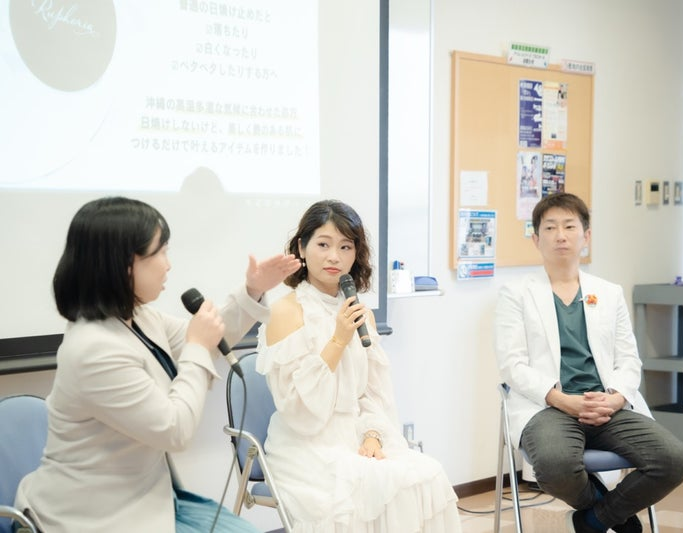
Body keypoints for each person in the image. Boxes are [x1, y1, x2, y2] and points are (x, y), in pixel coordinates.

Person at [15, 196, 301, 533]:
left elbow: (209, 334)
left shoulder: (136, 317)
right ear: (124, 264)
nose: (168, 265)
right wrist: (197, 346)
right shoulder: (92, 350)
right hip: (92, 515)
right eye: (160, 252)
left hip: (147, 498)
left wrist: (252, 290)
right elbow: (174, 430)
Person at [256, 199, 462, 532]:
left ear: (356, 254)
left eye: (345, 247)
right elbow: (298, 411)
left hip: (355, 435)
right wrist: (337, 340)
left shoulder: (361, 313)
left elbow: (372, 395)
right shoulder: (284, 312)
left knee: (428, 476)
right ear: (302, 248)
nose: (334, 257)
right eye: (323, 245)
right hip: (305, 443)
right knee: (367, 491)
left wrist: (373, 436)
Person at [493, 192, 683, 533]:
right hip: (548, 406)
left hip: (606, 405)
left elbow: (629, 358)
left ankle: (592, 521)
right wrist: (561, 400)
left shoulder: (609, 293)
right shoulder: (516, 294)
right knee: (555, 466)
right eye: (550, 228)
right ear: (536, 239)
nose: (561, 235)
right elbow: (512, 365)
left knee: (673, 460)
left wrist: (615, 398)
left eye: (569, 226)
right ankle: (608, 515)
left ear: (586, 236)